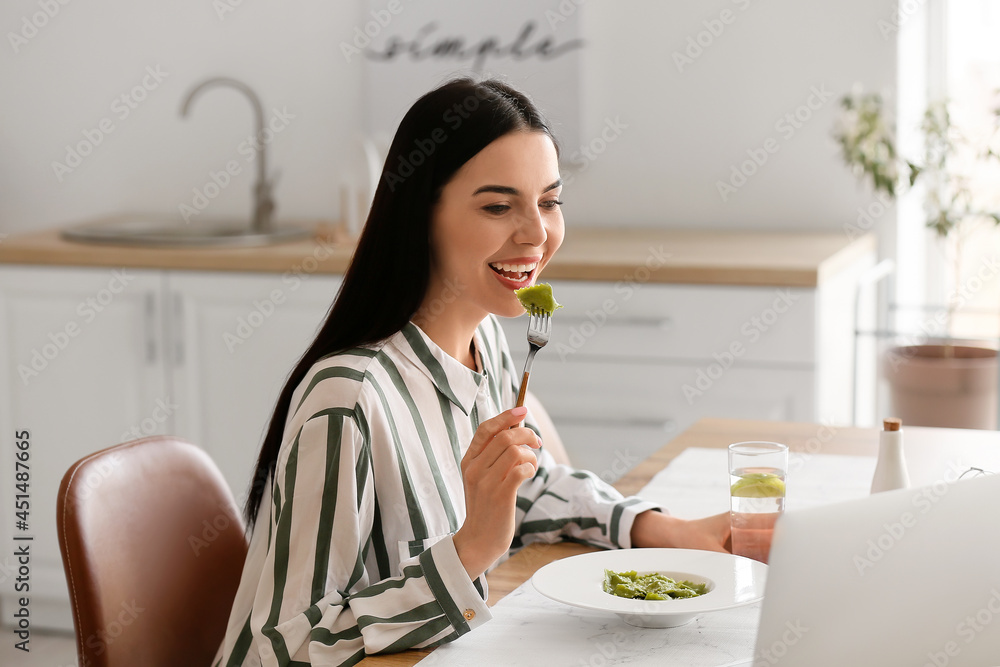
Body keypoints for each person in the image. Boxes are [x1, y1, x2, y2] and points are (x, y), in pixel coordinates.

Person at [213, 78, 731, 667]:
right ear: (421, 213)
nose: (536, 233)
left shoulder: (484, 339)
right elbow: (288, 645)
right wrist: (469, 553)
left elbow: (521, 493)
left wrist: (662, 531)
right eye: (497, 206)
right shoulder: (350, 400)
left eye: (549, 201)